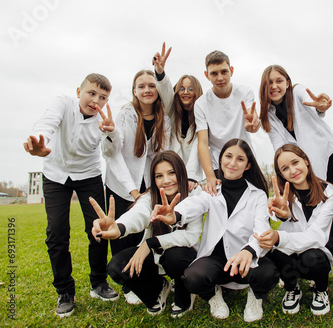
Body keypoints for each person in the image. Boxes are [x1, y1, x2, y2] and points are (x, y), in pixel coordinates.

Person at [151, 139, 279, 323]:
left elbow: (262, 228)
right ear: (220, 161)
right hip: (216, 260)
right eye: (228, 156)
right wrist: (175, 215)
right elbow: (195, 204)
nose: (232, 163)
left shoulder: (257, 195)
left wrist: (249, 251)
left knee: (269, 273)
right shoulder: (211, 190)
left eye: (240, 159)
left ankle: (255, 296)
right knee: (193, 278)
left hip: (245, 260)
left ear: (248, 165)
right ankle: (213, 294)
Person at [23, 73, 119, 317]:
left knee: (98, 229)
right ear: (79, 91)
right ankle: (65, 291)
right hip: (56, 174)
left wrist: (110, 134)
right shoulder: (63, 103)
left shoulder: (103, 122)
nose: (95, 100)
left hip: (88, 176)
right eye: (91, 93)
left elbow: (112, 150)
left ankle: (98, 283)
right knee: (56, 233)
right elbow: (47, 122)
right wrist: (38, 141)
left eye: (103, 97)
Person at [91, 151, 202, 317]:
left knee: (175, 256)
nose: (166, 180)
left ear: (181, 172)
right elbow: (139, 213)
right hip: (157, 255)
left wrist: (150, 243)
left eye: (171, 172)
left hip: (184, 255)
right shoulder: (150, 196)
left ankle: (184, 295)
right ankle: (157, 291)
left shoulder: (195, 194)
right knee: (117, 266)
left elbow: (191, 236)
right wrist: (119, 227)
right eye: (159, 176)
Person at [258, 65, 333, 264]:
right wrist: (285, 167)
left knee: (329, 201)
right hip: (298, 163)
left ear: (287, 82)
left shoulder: (297, 92)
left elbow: (315, 104)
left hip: (323, 154)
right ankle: (305, 248)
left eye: (279, 81)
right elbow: (279, 145)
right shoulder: (268, 113)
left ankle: (332, 256)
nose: (274, 86)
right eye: (269, 82)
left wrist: (321, 107)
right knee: (305, 204)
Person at [102, 69, 171, 304]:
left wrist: (157, 187)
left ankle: (151, 278)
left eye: (151, 85)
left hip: (150, 187)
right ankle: (129, 284)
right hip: (122, 185)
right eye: (141, 86)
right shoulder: (125, 115)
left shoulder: (165, 118)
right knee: (122, 236)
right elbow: (113, 154)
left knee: (146, 233)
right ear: (134, 91)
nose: (147, 90)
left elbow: (164, 155)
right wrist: (132, 191)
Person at [255, 144, 333, 316]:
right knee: (276, 253)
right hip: (290, 256)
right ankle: (292, 288)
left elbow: (316, 235)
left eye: (295, 162)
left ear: (306, 161)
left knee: (313, 255)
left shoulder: (330, 191)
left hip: (314, 254)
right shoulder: (284, 194)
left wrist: (280, 237)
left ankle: (321, 290)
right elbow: (279, 215)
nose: (292, 170)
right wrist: (282, 215)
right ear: (281, 174)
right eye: (285, 168)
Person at [195, 50, 260, 196]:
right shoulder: (201, 104)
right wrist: (210, 176)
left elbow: (253, 122)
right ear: (207, 75)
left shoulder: (245, 92)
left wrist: (254, 125)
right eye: (214, 73)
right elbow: (203, 143)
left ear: (231, 71)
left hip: (247, 160)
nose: (220, 78)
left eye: (224, 72)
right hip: (220, 164)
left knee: (257, 204)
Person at [153, 43, 204, 191]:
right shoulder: (171, 111)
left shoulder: (201, 117)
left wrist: (192, 176)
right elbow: (165, 90)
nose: (185, 92)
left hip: (192, 179)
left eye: (190, 89)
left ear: (197, 92)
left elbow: (198, 148)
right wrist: (160, 73)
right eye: (181, 88)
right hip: (170, 173)